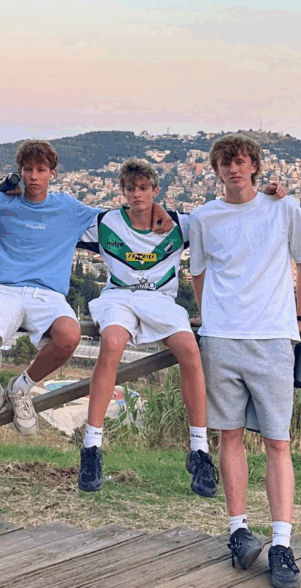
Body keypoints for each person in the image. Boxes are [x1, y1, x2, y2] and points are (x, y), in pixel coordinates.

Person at [0, 140, 172, 438]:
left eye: (41, 170)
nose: (34, 176)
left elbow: (119, 217)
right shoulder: (0, 204)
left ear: (53, 173)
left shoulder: (68, 207)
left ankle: (20, 389)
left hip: (48, 294)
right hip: (5, 288)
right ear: (19, 172)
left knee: (70, 335)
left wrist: (155, 206)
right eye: (28, 170)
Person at [189, 134, 301, 588]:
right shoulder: (203, 217)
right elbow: (197, 272)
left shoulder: (285, 207)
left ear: (255, 166)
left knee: (278, 442)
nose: (232, 169)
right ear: (215, 169)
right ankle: (238, 531)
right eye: (224, 163)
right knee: (231, 436)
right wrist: (210, 320)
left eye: (239, 161)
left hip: (273, 337)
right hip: (221, 338)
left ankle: (282, 543)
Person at [75, 158, 218, 496]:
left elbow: (226, 215)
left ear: (156, 191)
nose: (137, 195)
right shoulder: (105, 222)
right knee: (111, 343)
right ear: (122, 192)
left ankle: (199, 449)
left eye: (143, 189)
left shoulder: (180, 225)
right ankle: (92, 446)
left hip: (160, 301)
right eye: (130, 189)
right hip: (118, 297)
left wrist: (272, 195)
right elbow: (56, 216)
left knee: (189, 350)